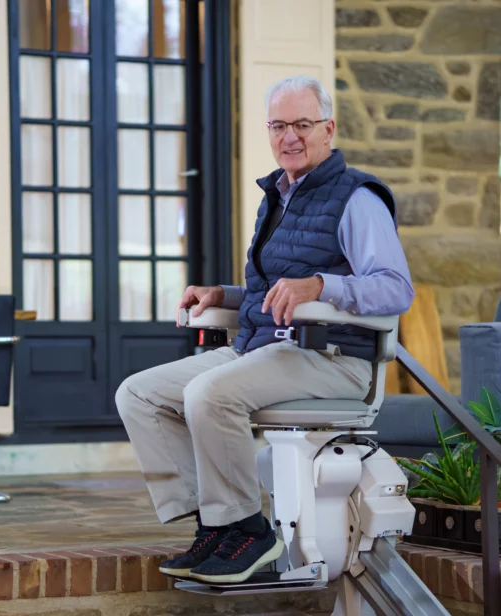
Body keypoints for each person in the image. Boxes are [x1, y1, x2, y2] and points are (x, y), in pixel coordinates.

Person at [115, 75, 415, 585]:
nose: (289, 137)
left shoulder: (357, 198)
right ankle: (216, 527)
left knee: (209, 394)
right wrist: (224, 296)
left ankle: (248, 531)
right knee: (139, 394)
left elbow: (395, 288)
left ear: (328, 129)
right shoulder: (279, 194)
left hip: (333, 358)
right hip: (263, 348)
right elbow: (275, 291)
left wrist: (321, 285)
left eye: (302, 124)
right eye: (278, 126)